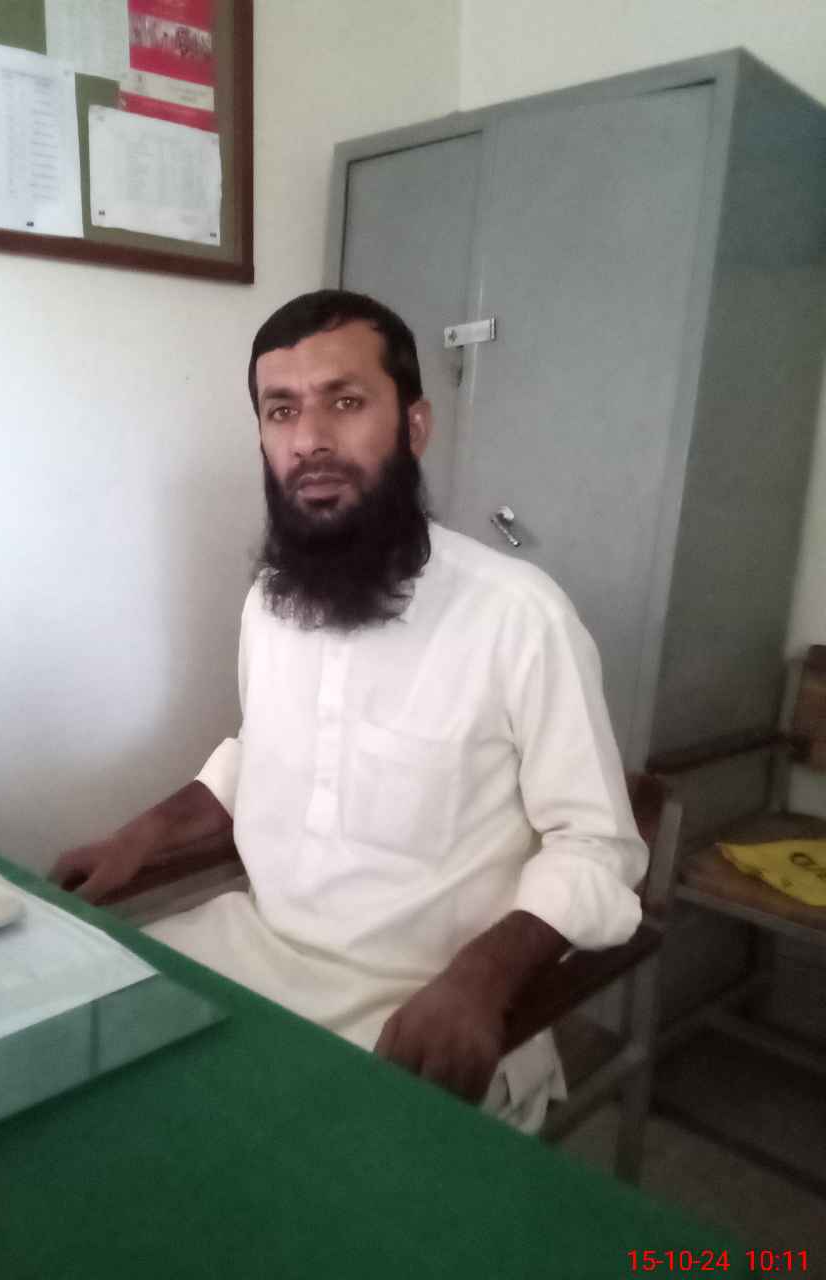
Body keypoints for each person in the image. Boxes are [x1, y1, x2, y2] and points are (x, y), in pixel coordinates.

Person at [51, 290, 648, 1131]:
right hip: (252, 953)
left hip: (423, 1006)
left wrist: (479, 982)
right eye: (281, 410)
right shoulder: (271, 601)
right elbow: (265, 750)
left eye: (345, 401)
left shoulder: (520, 616)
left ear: (415, 425)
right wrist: (144, 835)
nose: (309, 439)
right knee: (67, 1057)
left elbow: (597, 846)